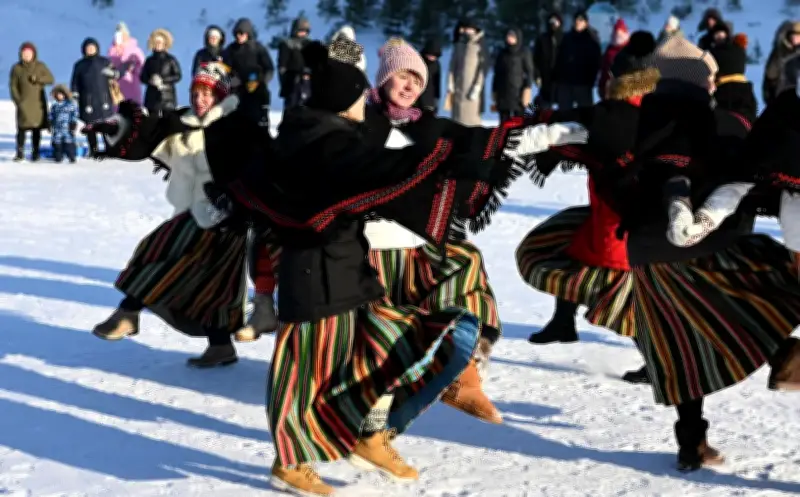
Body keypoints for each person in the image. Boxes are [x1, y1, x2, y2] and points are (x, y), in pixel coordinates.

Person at [85, 63, 253, 369]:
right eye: (196, 92)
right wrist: (118, 129)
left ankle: (128, 310)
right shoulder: (181, 123)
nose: (200, 98)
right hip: (192, 211)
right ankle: (219, 346)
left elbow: (257, 172)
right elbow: (146, 143)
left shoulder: (236, 128)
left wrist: (234, 200)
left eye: (207, 92)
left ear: (220, 95)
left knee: (170, 258)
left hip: (228, 220)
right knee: (207, 283)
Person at [517, 31, 660, 384]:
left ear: (616, 81)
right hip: (632, 217)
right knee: (567, 248)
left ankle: (658, 360)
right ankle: (563, 321)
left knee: (619, 291)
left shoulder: (608, 116)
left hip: (623, 224)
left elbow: (566, 122)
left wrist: (536, 119)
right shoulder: (661, 112)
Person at [71, 38, 118, 157]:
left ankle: (109, 148)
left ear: (97, 48)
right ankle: (94, 149)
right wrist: (75, 92)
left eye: (92, 47)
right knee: (90, 125)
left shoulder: (104, 62)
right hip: (87, 99)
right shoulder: (79, 65)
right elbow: (75, 81)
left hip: (103, 97)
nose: (90, 50)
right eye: (88, 48)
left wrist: (112, 73)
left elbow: (116, 74)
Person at [9, 41, 54, 162]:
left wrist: (38, 79)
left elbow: (50, 79)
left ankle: (35, 153)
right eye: (24, 53)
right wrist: (17, 100)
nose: (27, 56)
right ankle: (20, 153)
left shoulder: (40, 66)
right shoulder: (17, 68)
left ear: (34, 54)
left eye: (29, 53)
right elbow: (13, 85)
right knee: (21, 130)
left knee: (36, 129)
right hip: (23, 103)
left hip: (38, 104)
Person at [491, 28, 534, 121]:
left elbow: (530, 71)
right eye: (508, 36)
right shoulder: (502, 53)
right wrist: (494, 91)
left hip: (518, 93)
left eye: (512, 36)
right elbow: (497, 73)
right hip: (503, 92)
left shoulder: (524, 53)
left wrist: (527, 89)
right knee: (504, 122)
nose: (509, 38)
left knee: (519, 121)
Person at [140, 29, 182, 116]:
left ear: (165, 44)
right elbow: (142, 77)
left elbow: (178, 75)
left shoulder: (171, 59)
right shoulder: (149, 60)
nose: (158, 45)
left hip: (168, 97)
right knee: (152, 122)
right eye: (156, 42)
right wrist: (150, 81)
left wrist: (163, 80)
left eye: (160, 42)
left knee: (168, 123)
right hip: (152, 98)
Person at [48, 84, 79, 163]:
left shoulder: (70, 104)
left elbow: (74, 114)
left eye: (60, 94)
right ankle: (58, 157)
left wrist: (73, 123)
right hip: (57, 129)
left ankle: (72, 157)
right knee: (57, 144)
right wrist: (49, 123)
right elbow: (51, 115)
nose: (59, 96)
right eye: (57, 94)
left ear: (64, 94)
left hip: (67, 129)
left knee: (69, 143)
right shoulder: (55, 106)